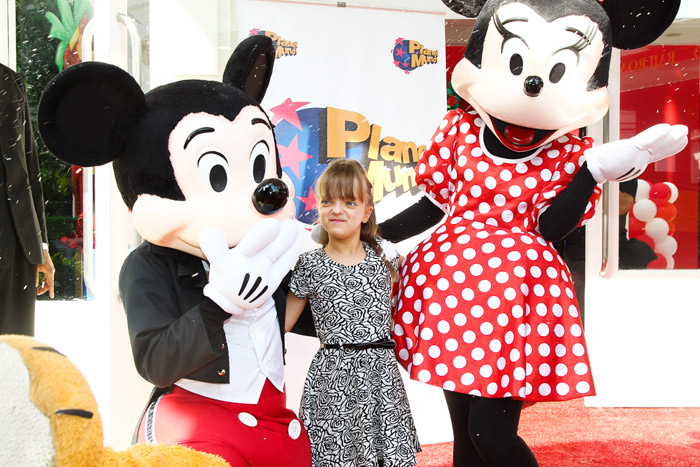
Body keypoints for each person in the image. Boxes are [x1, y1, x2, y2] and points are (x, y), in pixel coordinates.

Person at [285, 158, 421, 467]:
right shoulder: (309, 263)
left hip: (382, 381)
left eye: (349, 202)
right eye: (327, 201)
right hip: (331, 383)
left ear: (366, 212)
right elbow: (282, 324)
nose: (337, 210)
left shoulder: (386, 258)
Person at [0, 63, 54, 335]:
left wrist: (39, 245)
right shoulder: (7, 82)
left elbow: (24, 170)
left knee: (12, 362)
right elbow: (23, 173)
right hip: (10, 247)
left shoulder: (7, 82)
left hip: (11, 248)